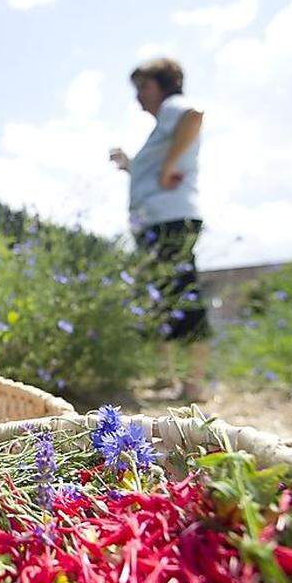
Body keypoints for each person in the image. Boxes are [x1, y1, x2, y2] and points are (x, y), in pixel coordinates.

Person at [110, 57, 209, 400]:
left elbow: (194, 115)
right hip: (156, 220)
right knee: (164, 298)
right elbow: (153, 172)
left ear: (165, 85)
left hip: (170, 219)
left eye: (144, 87)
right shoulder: (161, 126)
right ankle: (171, 379)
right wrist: (132, 166)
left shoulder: (175, 107)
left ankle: (194, 383)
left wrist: (167, 167)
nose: (138, 96)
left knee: (182, 294)